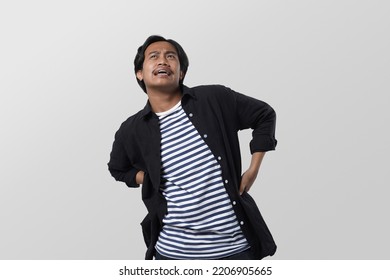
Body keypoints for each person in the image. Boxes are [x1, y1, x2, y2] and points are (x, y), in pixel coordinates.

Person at [108, 35, 277, 260]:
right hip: (172, 254)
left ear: (181, 73)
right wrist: (149, 179)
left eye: (171, 56)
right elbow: (117, 169)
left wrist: (253, 169)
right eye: (153, 56)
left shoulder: (214, 98)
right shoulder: (132, 129)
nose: (163, 61)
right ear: (140, 73)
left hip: (235, 251)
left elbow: (264, 115)